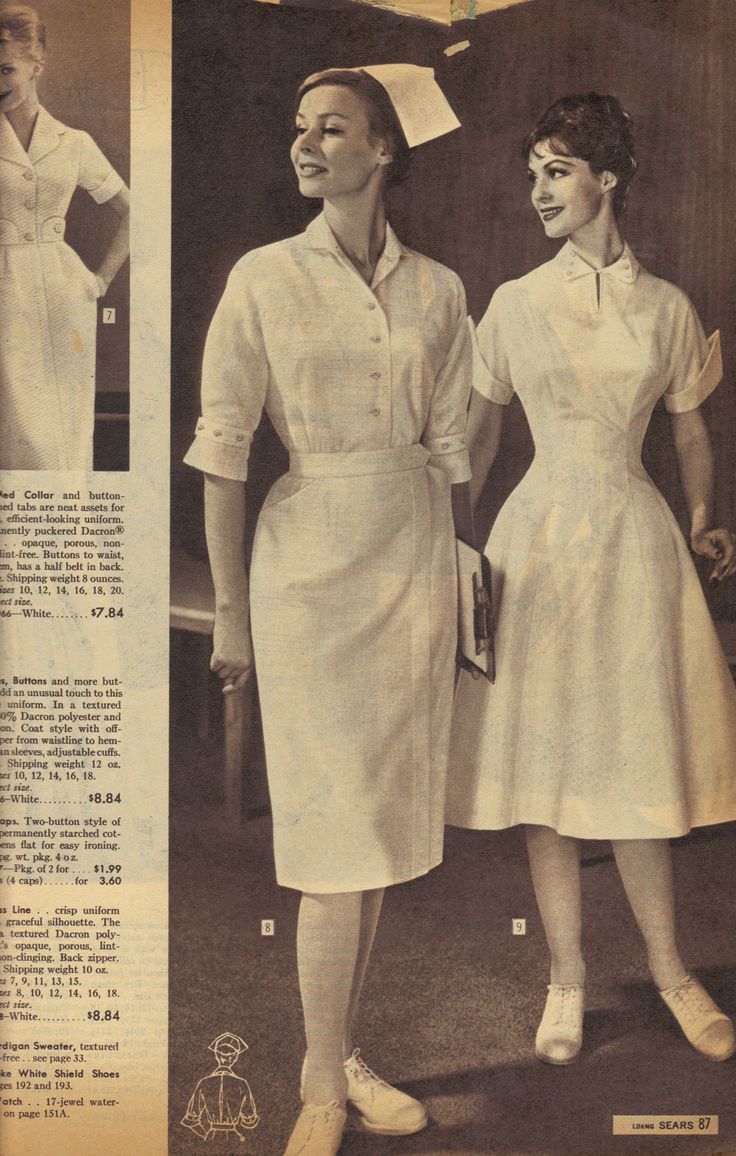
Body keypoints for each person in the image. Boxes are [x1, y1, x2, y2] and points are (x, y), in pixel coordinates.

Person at [184, 64, 472, 1154]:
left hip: (412, 559)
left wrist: (455, 581)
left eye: (332, 128)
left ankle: (342, 1052)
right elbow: (222, 454)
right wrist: (230, 612)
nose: (305, 145)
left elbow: (451, 458)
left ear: (383, 150)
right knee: (330, 836)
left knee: (383, 829)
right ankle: (318, 1078)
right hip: (304, 564)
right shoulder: (262, 276)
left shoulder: (439, 289)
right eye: (298, 127)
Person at [448, 92, 736, 1068]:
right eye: (531, 172)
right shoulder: (515, 304)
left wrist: (704, 518)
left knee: (635, 767)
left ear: (607, 178)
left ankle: (671, 972)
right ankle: (564, 978)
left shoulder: (666, 307)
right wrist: (456, 543)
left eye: (557, 169)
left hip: (632, 545)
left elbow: (689, 428)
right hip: (533, 546)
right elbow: (480, 432)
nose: (538, 189)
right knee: (545, 774)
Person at [0, 4, 130, 470]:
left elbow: (132, 213)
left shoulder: (72, 142)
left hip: (63, 294)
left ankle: (63, 532)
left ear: (36, 64)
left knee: (62, 424)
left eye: (6, 69)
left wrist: (98, 282)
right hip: (4, 290)